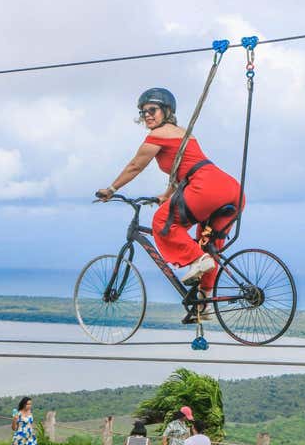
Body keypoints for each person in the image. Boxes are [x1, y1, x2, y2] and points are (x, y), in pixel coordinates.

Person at [96, 88, 243, 321]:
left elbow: (136, 165)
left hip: (206, 187)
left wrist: (111, 189)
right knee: (208, 245)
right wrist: (165, 195)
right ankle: (203, 305)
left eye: (152, 110)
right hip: (231, 190)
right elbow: (182, 172)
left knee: (162, 221)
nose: (147, 116)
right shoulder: (183, 134)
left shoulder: (159, 134)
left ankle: (197, 260)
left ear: (166, 111)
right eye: (143, 113)